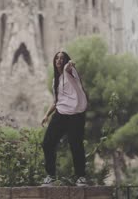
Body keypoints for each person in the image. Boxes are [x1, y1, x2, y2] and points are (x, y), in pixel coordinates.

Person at [41, 51, 88, 187]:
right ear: (54, 61)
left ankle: (81, 177)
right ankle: (50, 176)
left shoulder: (71, 72)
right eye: (57, 58)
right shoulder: (56, 81)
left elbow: (69, 66)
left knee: (76, 145)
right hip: (61, 114)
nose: (59, 60)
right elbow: (56, 101)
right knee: (48, 143)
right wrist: (46, 115)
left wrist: (70, 64)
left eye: (62, 58)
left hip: (76, 115)